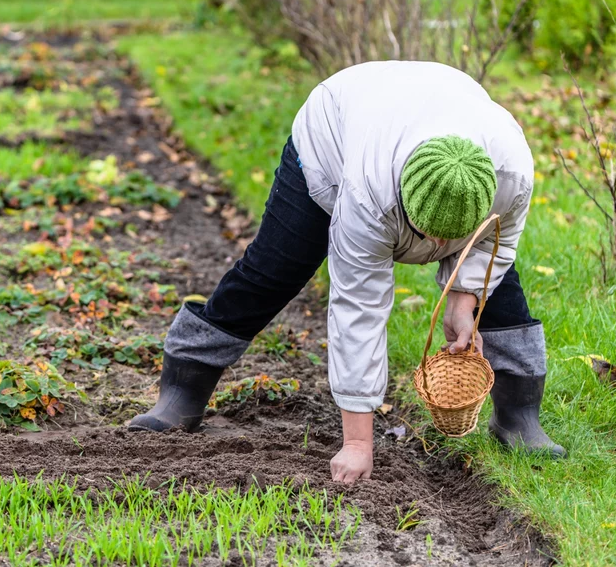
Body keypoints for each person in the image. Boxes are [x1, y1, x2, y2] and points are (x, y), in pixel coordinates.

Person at [128, 61, 566, 483]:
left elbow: (497, 242)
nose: (435, 250)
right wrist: (358, 442)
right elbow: (359, 307)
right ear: (402, 202)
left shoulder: (511, 172)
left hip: (429, 107)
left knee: (499, 285)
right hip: (335, 133)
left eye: (448, 241)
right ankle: (187, 380)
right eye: (427, 235)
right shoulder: (366, 191)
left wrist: (464, 297)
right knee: (275, 269)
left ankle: (518, 416)